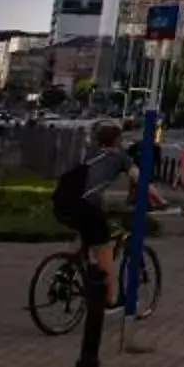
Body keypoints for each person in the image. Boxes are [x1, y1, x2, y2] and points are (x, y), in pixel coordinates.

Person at [50, 120, 138, 305]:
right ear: (117, 139)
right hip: (87, 206)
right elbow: (139, 179)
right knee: (105, 245)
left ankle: (65, 270)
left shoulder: (89, 153)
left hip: (63, 201)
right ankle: (112, 298)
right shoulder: (120, 157)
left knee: (85, 234)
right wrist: (160, 201)